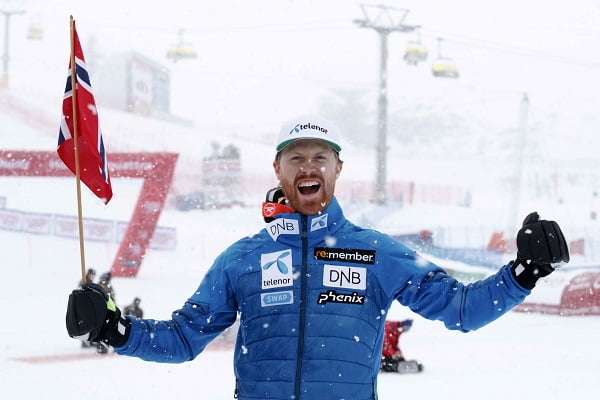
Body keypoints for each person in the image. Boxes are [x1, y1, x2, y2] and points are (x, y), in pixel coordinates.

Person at [66, 115, 570, 400]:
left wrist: (523, 273)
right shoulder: (242, 259)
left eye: (320, 157)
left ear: (336, 169)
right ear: (279, 169)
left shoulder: (377, 253)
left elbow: (462, 309)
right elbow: (181, 339)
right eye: (296, 157)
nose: (309, 166)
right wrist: (116, 330)